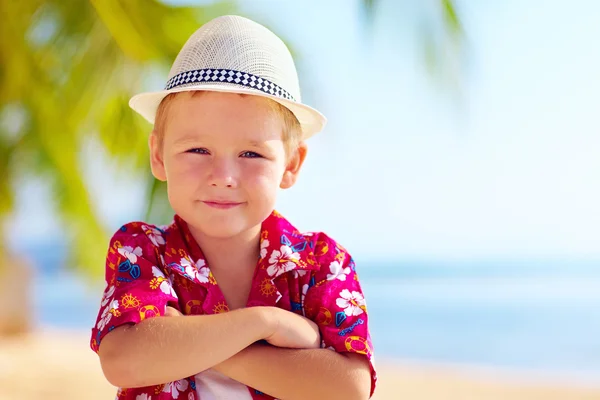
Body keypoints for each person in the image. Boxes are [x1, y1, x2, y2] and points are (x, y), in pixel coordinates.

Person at [90, 15, 376, 400]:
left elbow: (349, 387)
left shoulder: (321, 263)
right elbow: (123, 360)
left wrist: (192, 341)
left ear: (290, 165)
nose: (223, 175)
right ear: (158, 156)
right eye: (198, 150)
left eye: (250, 153)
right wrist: (265, 323)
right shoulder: (142, 249)